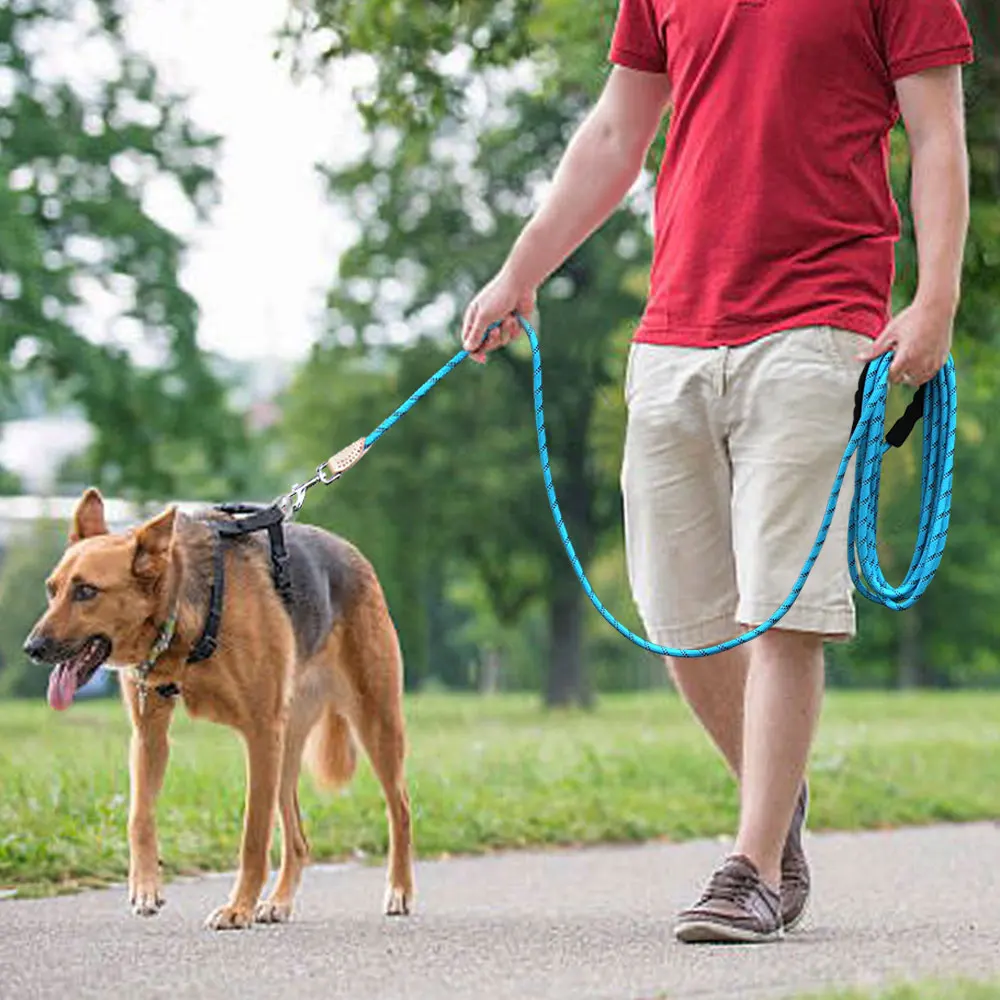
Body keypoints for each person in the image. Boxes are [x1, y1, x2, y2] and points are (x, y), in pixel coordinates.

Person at [461, 0, 973, 944]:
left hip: (823, 323)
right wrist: (520, 268)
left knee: (782, 603)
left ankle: (754, 866)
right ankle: (776, 810)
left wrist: (934, 298)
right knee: (679, 614)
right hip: (674, 333)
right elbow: (617, 130)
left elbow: (938, 133)